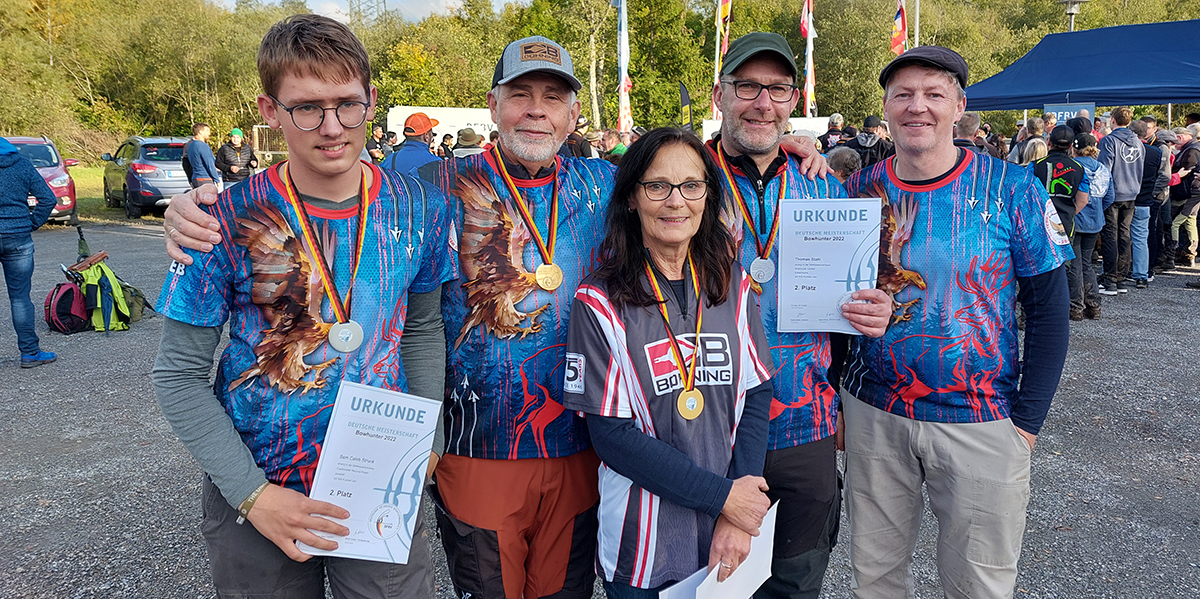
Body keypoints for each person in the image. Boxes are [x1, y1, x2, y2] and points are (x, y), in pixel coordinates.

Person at [162, 34, 831, 599]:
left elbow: (688, 179)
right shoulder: (430, 190)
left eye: (554, 97)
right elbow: (338, 203)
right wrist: (195, 205)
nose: (536, 112)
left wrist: (787, 151)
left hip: (579, 444)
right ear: (492, 106)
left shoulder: (609, 185)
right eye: (520, 94)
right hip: (476, 448)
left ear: (574, 113)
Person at [151, 14, 453, 598]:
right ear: (270, 111)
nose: (332, 126)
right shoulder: (219, 221)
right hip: (260, 485)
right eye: (307, 107)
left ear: (370, 100)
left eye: (348, 104)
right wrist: (253, 495)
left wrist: (429, 441)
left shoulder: (420, 207)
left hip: (381, 477)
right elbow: (179, 376)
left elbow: (420, 331)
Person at [842, 45, 1072, 599]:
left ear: (958, 105)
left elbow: (1049, 308)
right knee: (875, 579)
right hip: (874, 412)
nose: (917, 107)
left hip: (983, 419)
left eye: (933, 94)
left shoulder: (1012, 188)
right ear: (887, 106)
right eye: (903, 95)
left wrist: (1025, 423)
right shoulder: (855, 191)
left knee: (978, 584)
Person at [707, 32, 892, 599]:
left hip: (806, 424)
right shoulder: (684, 180)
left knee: (796, 581)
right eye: (747, 87)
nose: (763, 102)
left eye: (778, 89)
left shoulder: (825, 187)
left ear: (793, 100)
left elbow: (856, 299)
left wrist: (875, 310)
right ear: (720, 95)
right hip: (706, 425)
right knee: (712, 580)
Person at [564, 126, 775, 597]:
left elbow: (757, 393)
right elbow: (612, 438)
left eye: (692, 186)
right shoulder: (598, 302)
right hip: (642, 547)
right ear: (632, 198)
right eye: (657, 186)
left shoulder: (732, 286)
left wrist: (738, 512)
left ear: (708, 196)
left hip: (728, 536)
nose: (676, 201)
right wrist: (726, 501)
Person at [0, 137, 57, 368]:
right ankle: (30, 353)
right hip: (18, 238)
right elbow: (48, 199)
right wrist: (32, 223)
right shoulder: (22, 165)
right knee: (20, 298)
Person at [1032, 126, 1090, 316]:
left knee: (1035, 265)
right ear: (1071, 146)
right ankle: (1060, 309)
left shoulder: (1035, 165)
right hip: (1064, 223)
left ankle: (1030, 311)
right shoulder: (1080, 169)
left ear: (1049, 142)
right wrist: (1068, 213)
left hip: (1037, 223)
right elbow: (1083, 199)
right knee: (1063, 267)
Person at [1097, 106, 1144, 294]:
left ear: (1113, 120)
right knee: (1125, 235)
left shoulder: (1109, 141)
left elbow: (1104, 169)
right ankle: (1121, 277)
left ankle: (1110, 278)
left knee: (1110, 235)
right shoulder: (1138, 142)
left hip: (1114, 193)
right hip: (1132, 192)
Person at [1069, 133, 1112, 319]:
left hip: (1076, 219)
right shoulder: (1103, 169)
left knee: (1075, 265)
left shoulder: (1074, 167)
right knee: (1086, 263)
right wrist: (1097, 211)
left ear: (1074, 148)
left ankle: (1075, 305)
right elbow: (1109, 196)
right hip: (1095, 221)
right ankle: (1094, 303)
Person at [1130, 120, 1168, 288]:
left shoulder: (1127, 150)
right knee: (1141, 238)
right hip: (1145, 199)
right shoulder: (1155, 152)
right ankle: (1141, 275)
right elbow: (1162, 175)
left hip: (1128, 198)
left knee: (1121, 237)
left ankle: (1117, 273)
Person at [1172, 124, 1200, 269]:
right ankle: (1190, 254)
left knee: (1176, 222)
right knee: (1190, 222)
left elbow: (1188, 171)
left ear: (1179, 137)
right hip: (1193, 191)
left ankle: (1174, 250)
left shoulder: (1192, 150)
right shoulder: (1192, 148)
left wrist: (1175, 174)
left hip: (1190, 192)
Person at [185, 122, 221, 189]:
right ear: (200, 132)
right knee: (208, 199)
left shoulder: (190, 146)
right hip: (205, 179)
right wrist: (217, 179)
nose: (209, 133)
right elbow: (209, 164)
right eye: (207, 131)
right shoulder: (203, 146)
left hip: (195, 178)